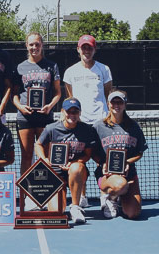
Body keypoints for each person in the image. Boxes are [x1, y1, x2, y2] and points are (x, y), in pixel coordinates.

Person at [63, 34, 113, 207]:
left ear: (94, 49)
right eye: (83, 47)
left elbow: (108, 94)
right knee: (79, 161)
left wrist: (106, 117)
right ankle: (81, 196)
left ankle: (105, 197)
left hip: (101, 123)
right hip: (80, 124)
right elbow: (70, 96)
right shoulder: (70, 72)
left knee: (103, 161)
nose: (86, 50)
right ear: (78, 49)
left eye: (89, 47)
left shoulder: (104, 69)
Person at [34, 98, 95, 224]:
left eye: (75, 112)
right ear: (63, 112)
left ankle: (75, 207)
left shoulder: (87, 130)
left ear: (80, 113)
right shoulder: (51, 128)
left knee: (76, 168)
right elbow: (38, 144)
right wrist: (44, 159)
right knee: (56, 212)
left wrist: (75, 162)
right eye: (69, 112)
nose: (72, 115)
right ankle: (58, 201)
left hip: (77, 172)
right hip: (56, 174)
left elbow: (88, 155)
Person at [93, 90, 148, 219]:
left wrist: (128, 162)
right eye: (113, 102)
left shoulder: (134, 126)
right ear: (108, 104)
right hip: (107, 175)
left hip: (129, 174)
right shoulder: (99, 126)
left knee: (133, 213)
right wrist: (103, 163)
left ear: (125, 104)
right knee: (119, 185)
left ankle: (120, 197)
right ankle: (110, 197)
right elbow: (92, 153)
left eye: (120, 102)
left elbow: (139, 153)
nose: (116, 105)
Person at [13, 32, 61, 176]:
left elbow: (58, 93)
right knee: (27, 157)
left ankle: (45, 194)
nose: (34, 47)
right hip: (25, 118)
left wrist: (49, 107)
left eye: (37, 44)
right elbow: (14, 95)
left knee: (45, 157)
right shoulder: (20, 68)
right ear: (26, 46)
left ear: (42, 45)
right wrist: (21, 107)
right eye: (31, 44)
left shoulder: (52, 66)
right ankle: (25, 195)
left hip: (45, 117)